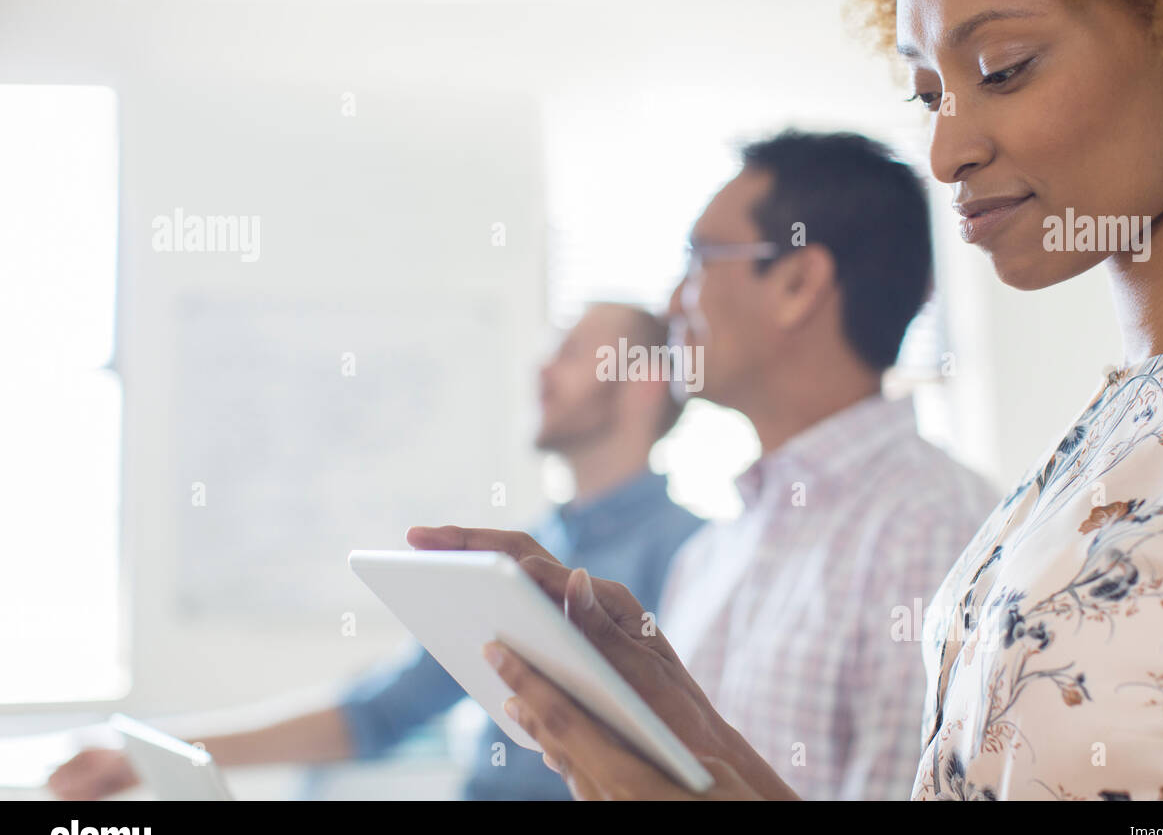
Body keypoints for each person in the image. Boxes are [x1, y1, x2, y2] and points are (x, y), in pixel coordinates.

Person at [410, 0, 1163, 801]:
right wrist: (689, 733)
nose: (947, 154)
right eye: (927, 96)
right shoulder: (1109, 443)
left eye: (1004, 67)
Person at [47, 302, 703, 801]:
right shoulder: (537, 549)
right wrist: (148, 754)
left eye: (569, 350)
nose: (541, 367)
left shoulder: (693, 556)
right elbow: (379, 712)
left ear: (642, 381)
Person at [656, 130, 997, 798]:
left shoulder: (931, 532)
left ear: (797, 282)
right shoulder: (709, 553)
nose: (673, 303)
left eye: (701, 259)